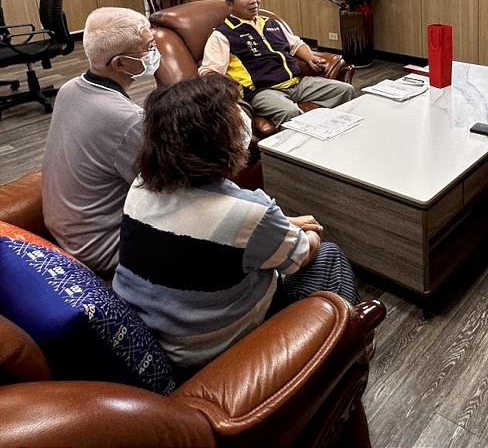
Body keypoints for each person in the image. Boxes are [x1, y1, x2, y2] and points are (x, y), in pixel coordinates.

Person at [112, 73, 360, 369]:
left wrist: (280, 225)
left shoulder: (141, 185)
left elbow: (215, 230)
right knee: (329, 255)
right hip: (211, 347)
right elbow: (302, 256)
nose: (242, 118)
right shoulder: (248, 213)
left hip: (159, 333)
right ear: (214, 141)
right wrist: (310, 236)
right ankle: (349, 352)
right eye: (232, 115)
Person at [42, 7, 159, 277]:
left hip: (67, 232)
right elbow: (164, 188)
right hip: (105, 248)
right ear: (120, 64)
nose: (155, 53)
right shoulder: (129, 120)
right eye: (148, 48)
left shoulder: (70, 88)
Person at [199, 0, 355, 127]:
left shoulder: (271, 23)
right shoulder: (222, 35)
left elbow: (296, 45)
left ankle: (335, 132)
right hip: (264, 91)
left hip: (297, 83)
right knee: (289, 112)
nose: (253, 0)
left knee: (345, 90)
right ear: (229, 3)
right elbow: (209, 71)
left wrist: (310, 58)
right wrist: (233, 89)